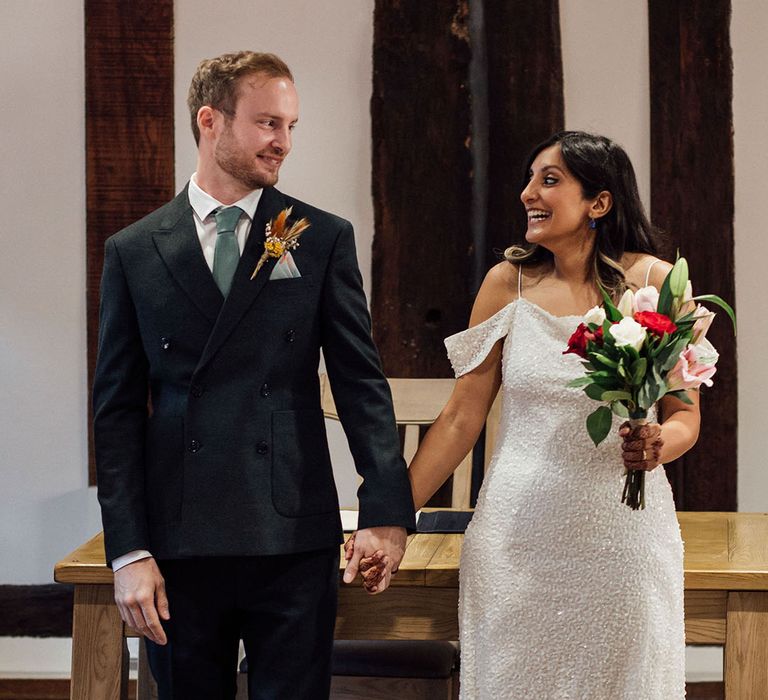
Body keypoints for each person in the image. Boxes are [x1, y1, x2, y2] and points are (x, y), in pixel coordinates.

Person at [92, 50, 414, 699]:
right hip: (179, 541)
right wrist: (128, 551)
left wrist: (386, 509)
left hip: (292, 537)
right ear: (210, 120)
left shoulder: (318, 236)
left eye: (290, 126)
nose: (283, 142)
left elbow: (360, 384)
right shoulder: (134, 250)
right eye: (268, 123)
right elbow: (116, 411)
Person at [404, 131, 700, 697]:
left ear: (600, 201)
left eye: (550, 180)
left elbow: (684, 413)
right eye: (529, 179)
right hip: (515, 541)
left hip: (623, 538)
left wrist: (663, 441)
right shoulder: (505, 284)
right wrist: (392, 515)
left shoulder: (658, 285)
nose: (527, 194)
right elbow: (461, 419)